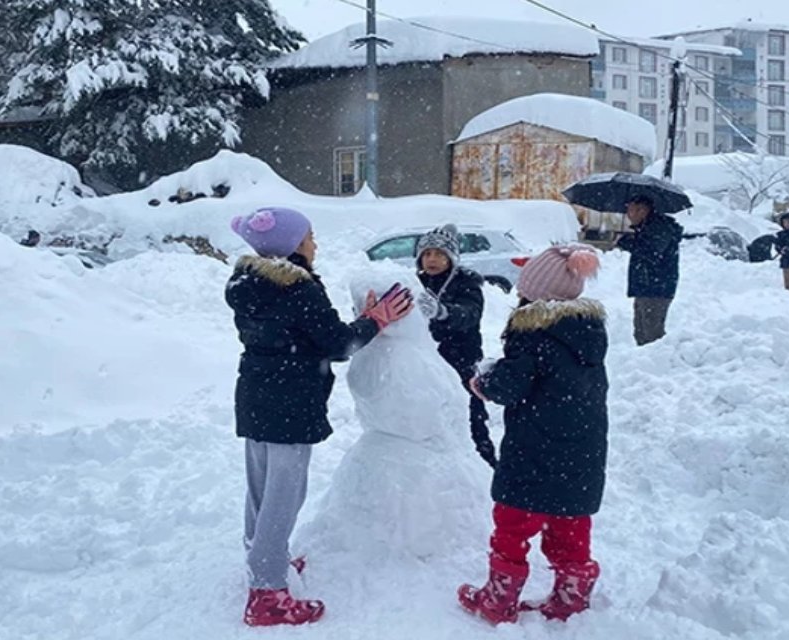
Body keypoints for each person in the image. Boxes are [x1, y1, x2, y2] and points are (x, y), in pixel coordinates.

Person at [226, 207, 414, 627]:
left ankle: (264, 558)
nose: (315, 243)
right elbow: (338, 344)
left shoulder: (246, 283)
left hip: (256, 394)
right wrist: (375, 320)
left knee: (261, 488)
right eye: (309, 236)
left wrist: (363, 321)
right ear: (293, 244)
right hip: (291, 401)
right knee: (284, 495)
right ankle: (267, 593)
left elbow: (300, 334)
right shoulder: (298, 289)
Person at [458, 244, 608, 626]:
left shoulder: (534, 334)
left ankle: (498, 599)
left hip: (535, 449)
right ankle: (571, 596)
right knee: (570, 525)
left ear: (534, 294)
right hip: (582, 453)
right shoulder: (586, 334)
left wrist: (483, 382)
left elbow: (509, 385)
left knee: (513, 525)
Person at [414, 224, 496, 468]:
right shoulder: (416, 282)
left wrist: (443, 312)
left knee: (472, 420)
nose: (432, 259)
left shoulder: (467, 283)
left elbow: (469, 314)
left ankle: (485, 466)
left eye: (440, 254)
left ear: (451, 257)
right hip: (427, 363)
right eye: (427, 254)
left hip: (462, 362)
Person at [616, 195, 682, 346]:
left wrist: (627, 242)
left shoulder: (660, 227)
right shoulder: (646, 227)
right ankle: (645, 358)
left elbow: (651, 252)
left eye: (631, 210)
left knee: (652, 334)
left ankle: (658, 359)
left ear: (642, 210)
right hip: (646, 287)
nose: (628, 215)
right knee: (640, 332)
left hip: (656, 288)